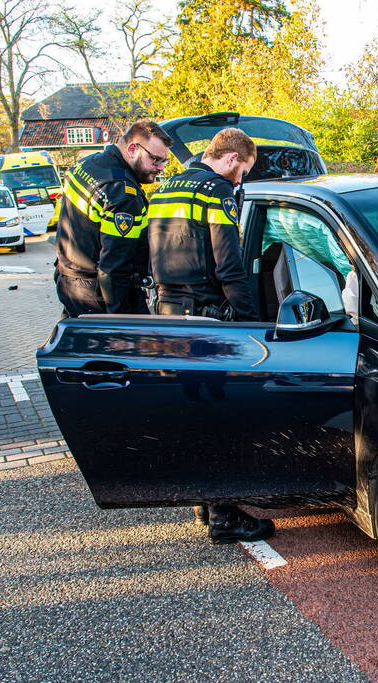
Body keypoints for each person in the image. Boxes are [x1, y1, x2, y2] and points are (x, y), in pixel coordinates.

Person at [146, 127, 273, 545]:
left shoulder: (167, 186)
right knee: (221, 416)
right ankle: (224, 516)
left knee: (192, 413)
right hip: (207, 315)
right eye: (245, 170)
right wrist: (251, 323)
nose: (241, 180)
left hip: (168, 309)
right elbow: (229, 264)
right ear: (233, 159)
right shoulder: (216, 191)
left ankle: (203, 498)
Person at [54, 119, 172, 316]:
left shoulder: (86, 165)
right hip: (100, 294)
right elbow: (114, 269)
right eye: (155, 159)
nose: (160, 168)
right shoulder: (123, 194)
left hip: (68, 280)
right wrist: (120, 322)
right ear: (133, 148)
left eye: (163, 161)